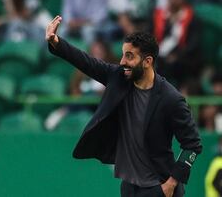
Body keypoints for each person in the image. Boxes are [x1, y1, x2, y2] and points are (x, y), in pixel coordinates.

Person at [46, 16, 202, 197]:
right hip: (129, 187)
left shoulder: (171, 99)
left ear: (147, 61)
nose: (122, 62)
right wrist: (56, 42)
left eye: (129, 56)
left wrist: (171, 183)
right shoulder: (118, 78)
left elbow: (192, 144)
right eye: (122, 54)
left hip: (159, 188)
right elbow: (87, 62)